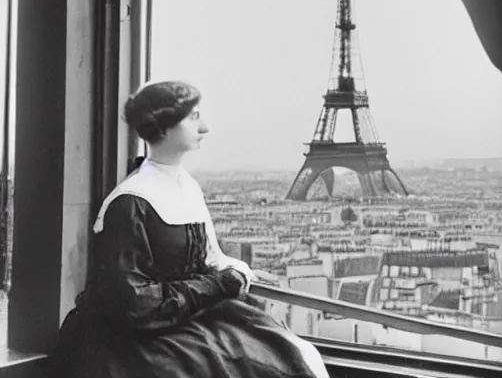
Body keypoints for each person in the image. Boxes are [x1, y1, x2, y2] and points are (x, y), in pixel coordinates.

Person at [47, 80, 330, 378]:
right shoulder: (130, 202)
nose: (205, 127)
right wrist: (219, 284)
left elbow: (209, 258)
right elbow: (136, 305)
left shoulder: (184, 187)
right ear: (164, 126)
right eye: (193, 117)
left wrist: (231, 274)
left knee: (295, 354)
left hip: (177, 322)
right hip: (133, 341)